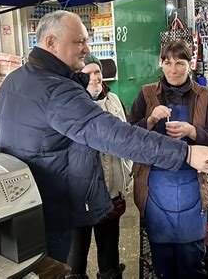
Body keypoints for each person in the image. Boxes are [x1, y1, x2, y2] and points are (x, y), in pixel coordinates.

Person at [0, 10, 208, 263]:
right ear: (51, 42)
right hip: (55, 207)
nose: (86, 49)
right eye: (79, 41)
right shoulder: (57, 90)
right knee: (61, 266)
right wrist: (185, 153)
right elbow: (116, 135)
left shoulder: (14, 80)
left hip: (25, 203)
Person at [128, 40, 208, 279]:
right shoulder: (147, 94)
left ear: (189, 64)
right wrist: (150, 121)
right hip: (156, 186)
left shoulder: (203, 97)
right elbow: (128, 137)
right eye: (168, 62)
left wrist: (193, 132)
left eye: (180, 63)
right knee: (162, 263)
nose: (173, 69)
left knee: (191, 261)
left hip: (193, 184)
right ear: (160, 64)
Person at [66, 55, 131, 278]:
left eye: (97, 72)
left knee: (109, 250)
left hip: (112, 190)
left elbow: (127, 136)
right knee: (76, 254)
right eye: (88, 74)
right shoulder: (70, 104)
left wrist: (127, 174)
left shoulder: (113, 100)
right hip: (80, 196)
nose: (95, 78)